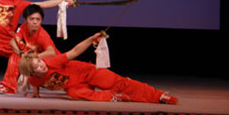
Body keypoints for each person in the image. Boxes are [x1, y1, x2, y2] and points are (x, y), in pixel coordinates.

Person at [18, 32, 179, 104]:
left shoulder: (52, 61)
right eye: (37, 66)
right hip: (75, 86)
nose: (41, 65)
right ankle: (113, 96)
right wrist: (35, 93)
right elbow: (36, 82)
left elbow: (75, 51)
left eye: (39, 61)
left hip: (87, 72)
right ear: (32, 72)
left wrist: (91, 39)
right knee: (73, 94)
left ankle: (158, 96)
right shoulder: (33, 79)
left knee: (120, 83)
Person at [0, 3, 59, 94]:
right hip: (39, 64)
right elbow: (12, 42)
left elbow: (52, 52)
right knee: (16, 55)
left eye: (38, 19)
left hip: (54, 69)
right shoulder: (23, 28)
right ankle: (8, 87)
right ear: (25, 20)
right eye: (32, 19)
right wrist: (22, 54)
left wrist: (32, 57)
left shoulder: (42, 35)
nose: (35, 22)